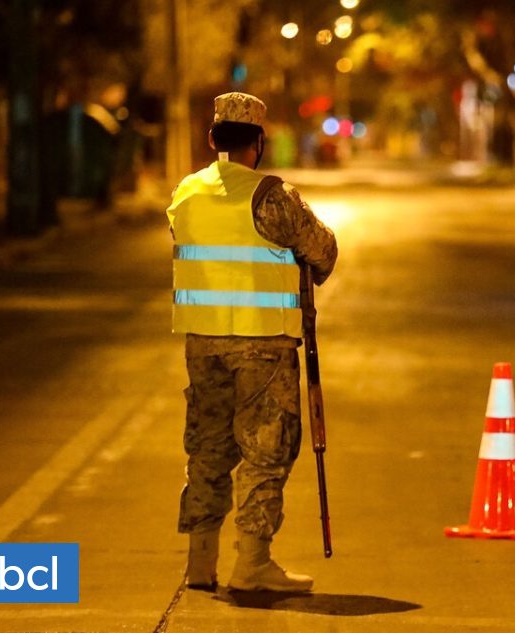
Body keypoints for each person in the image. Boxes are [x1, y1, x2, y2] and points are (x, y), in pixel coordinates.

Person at [167, 92, 338, 593]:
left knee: (208, 447)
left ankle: (200, 563)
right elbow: (322, 252)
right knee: (267, 449)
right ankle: (253, 564)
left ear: (211, 139)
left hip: (201, 342)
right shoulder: (271, 195)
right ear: (258, 142)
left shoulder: (185, 192)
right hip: (262, 345)